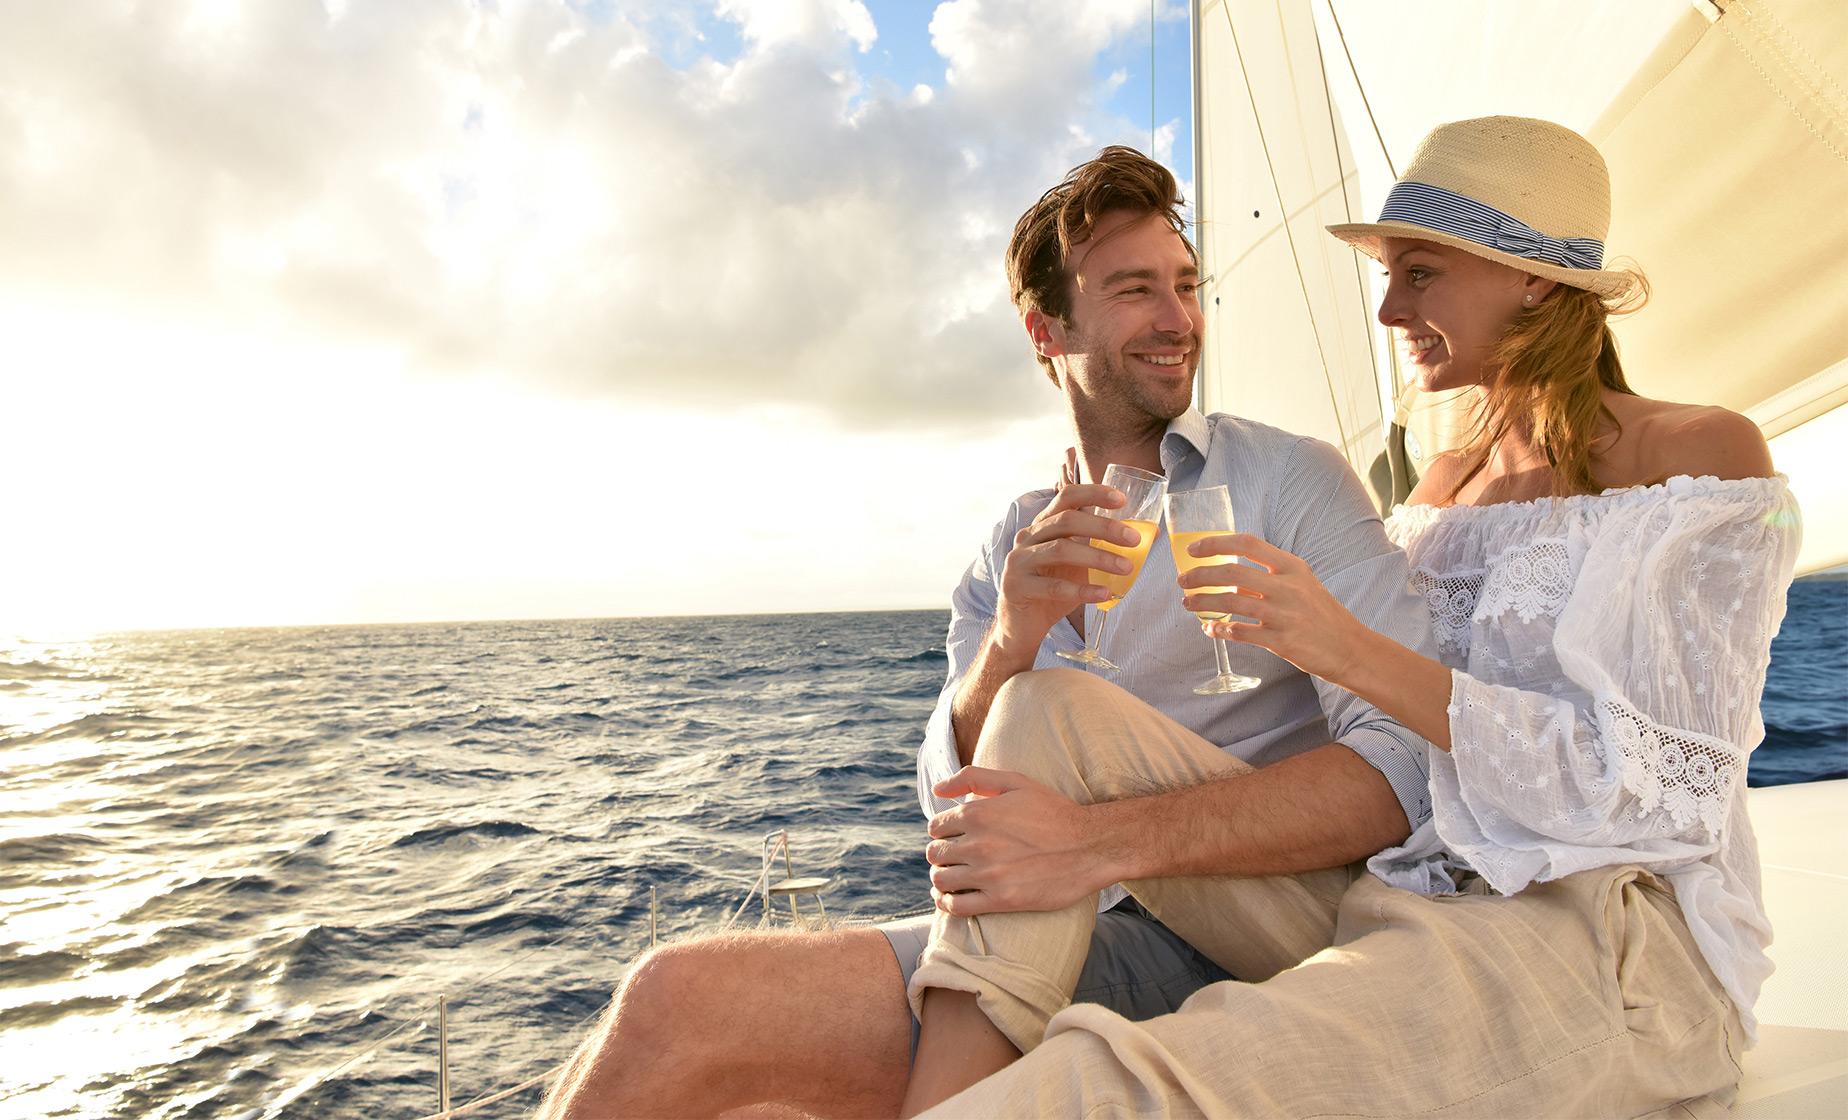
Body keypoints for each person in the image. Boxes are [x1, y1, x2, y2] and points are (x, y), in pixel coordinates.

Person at [900, 115, 1799, 1118]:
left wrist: (1347, 649)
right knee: (1049, 702)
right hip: (1409, 897)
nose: (1386, 308)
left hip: (1608, 941)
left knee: (1113, 1079)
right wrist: (1019, 641)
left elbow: (1657, 795)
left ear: (1536, 280)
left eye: (1419, 273)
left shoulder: (1700, 455)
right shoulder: (1437, 486)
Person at [537, 146, 1435, 1119]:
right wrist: (1011, 637)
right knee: (672, 1003)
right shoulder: (1014, 541)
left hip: (1265, 927)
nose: (1179, 320)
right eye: (1137, 290)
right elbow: (950, 807)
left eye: (1186, 286)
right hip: (1064, 928)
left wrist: (1095, 842)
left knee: (1050, 711)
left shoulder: (1290, 482)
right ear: (1046, 328)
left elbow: (1404, 767)